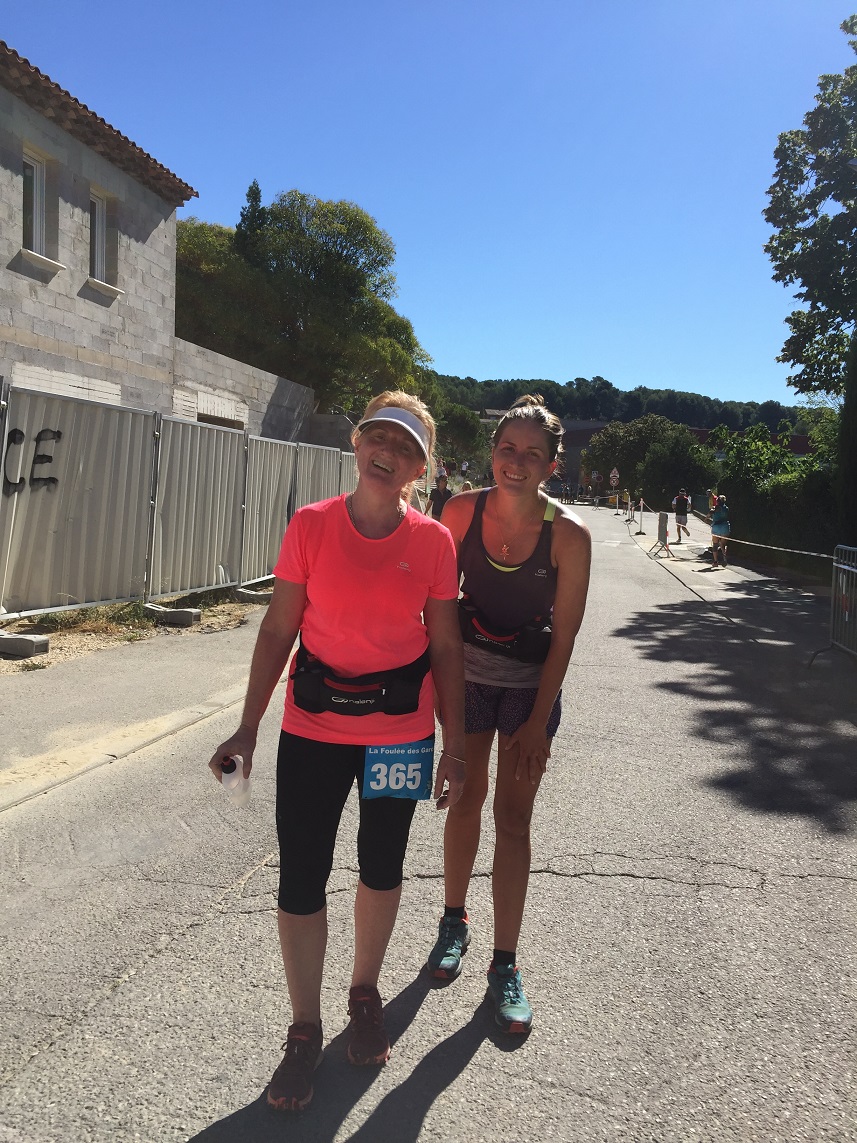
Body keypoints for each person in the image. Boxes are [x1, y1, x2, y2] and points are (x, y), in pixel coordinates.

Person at [209, 391, 465, 1112]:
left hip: (399, 730)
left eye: (404, 444)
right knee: (302, 874)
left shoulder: (433, 542)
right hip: (315, 727)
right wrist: (248, 726)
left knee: (381, 865)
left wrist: (456, 745)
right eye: (375, 434)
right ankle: (302, 1030)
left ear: (419, 466)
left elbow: (445, 645)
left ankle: (363, 993)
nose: (387, 450)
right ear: (356, 446)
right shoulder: (311, 525)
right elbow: (276, 629)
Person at [425, 394, 591, 1034]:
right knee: (464, 799)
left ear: (551, 465)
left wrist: (538, 722)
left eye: (531, 454)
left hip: (528, 685)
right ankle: (453, 921)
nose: (515, 463)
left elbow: (567, 634)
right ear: (493, 453)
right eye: (506, 450)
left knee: (513, 820)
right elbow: (436, 608)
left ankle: (505, 964)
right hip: (466, 675)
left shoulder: (568, 537)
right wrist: (443, 706)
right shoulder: (460, 511)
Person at [710, 494, 730, 568]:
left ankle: (715, 561)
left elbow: (710, 513)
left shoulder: (715, 508)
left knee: (715, 545)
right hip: (725, 527)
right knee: (723, 544)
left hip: (716, 527)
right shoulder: (727, 508)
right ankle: (724, 558)